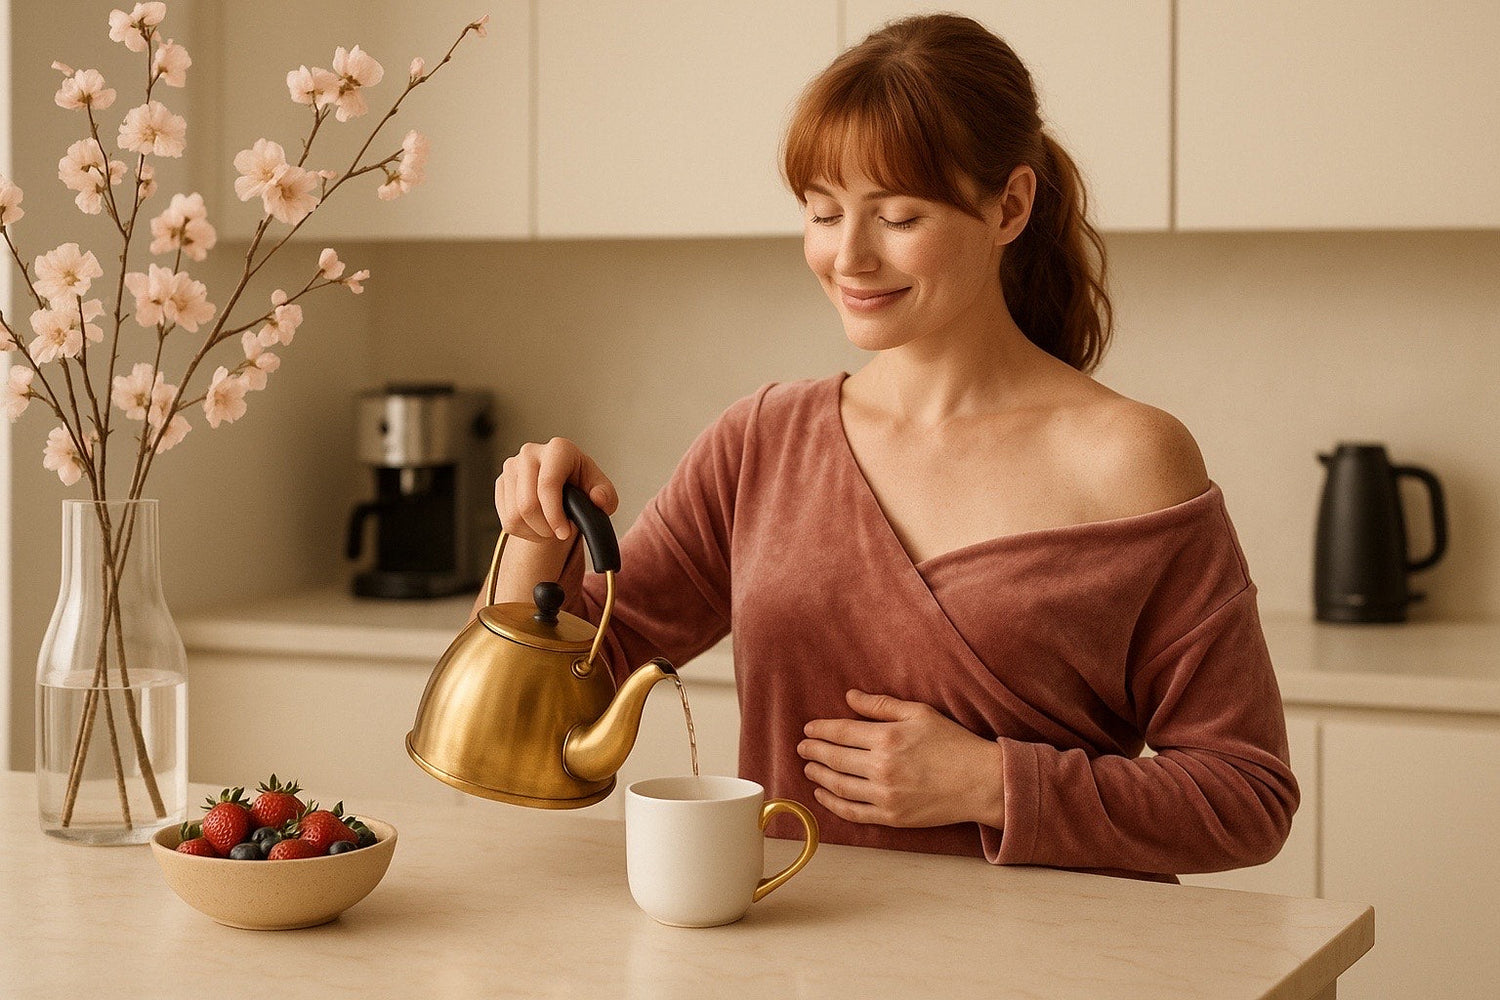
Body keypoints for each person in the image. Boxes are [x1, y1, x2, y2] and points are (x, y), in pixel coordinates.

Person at [481, 13, 1298, 883]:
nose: (850, 257)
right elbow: (543, 716)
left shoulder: (1129, 456)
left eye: (899, 216)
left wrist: (991, 783)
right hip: (798, 960)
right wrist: (538, 529)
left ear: (1009, 206)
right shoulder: (762, 443)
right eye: (824, 213)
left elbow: (1245, 800)